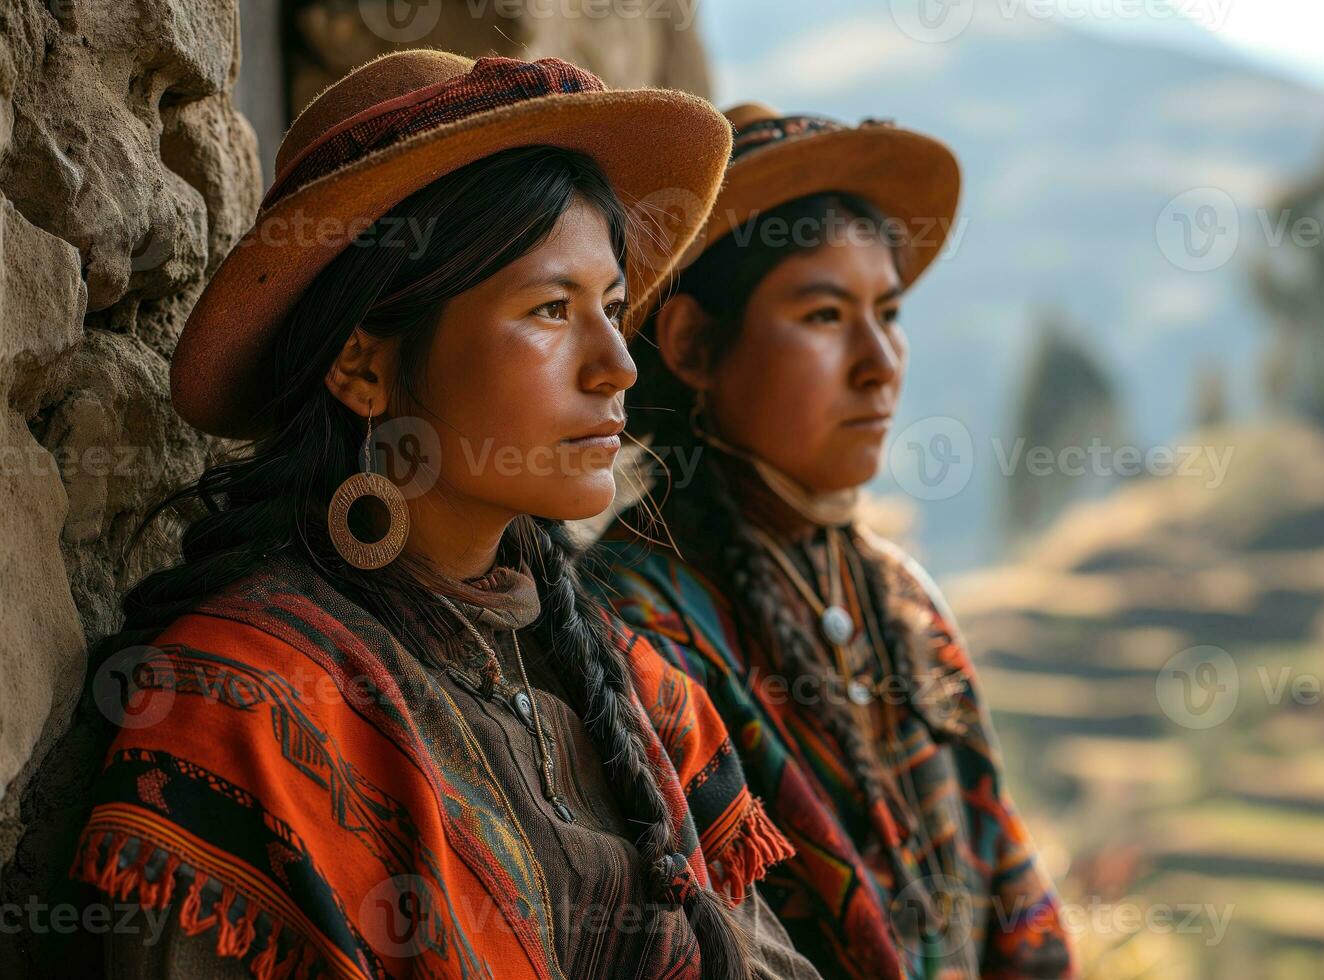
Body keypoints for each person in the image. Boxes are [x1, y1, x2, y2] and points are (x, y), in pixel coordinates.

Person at [30, 53, 819, 980]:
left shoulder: (645, 697)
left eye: (612, 306)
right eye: (552, 309)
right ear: (362, 366)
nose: (618, 365)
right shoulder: (241, 717)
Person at [595, 103, 1077, 978]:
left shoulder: (902, 600)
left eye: (887, 314)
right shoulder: (633, 625)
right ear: (696, 344)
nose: (880, 361)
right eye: (824, 316)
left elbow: (1018, 916)